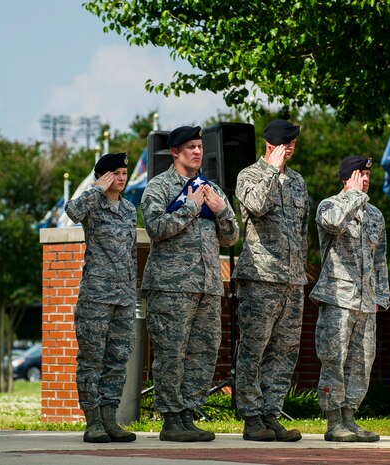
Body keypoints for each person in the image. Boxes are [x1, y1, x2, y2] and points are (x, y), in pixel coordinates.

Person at [140, 125, 239, 442]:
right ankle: (170, 419)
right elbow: (155, 227)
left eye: (199, 146)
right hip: (171, 287)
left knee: (204, 352)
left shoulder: (211, 189)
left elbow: (231, 237)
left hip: (208, 286)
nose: (197, 152)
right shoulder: (159, 187)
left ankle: (187, 415)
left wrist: (222, 212)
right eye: (190, 148)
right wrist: (192, 205)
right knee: (172, 353)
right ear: (174, 152)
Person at [233, 119, 308, 442]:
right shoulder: (248, 175)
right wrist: (270, 172)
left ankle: (270, 413)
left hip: (292, 280)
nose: (289, 147)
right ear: (269, 144)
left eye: (292, 143)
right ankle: (251, 417)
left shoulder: (298, 181)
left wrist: (301, 272)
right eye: (284, 143)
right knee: (254, 348)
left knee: (285, 349)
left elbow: (303, 231)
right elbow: (257, 206)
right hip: (260, 278)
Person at [310, 156, 390, 442]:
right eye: (359, 174)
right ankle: (333, 421)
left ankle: (350, 417)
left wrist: (381, 296)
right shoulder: (329, 205)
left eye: (367, 174)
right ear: (346, 178)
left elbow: (379, 259)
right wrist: (354, 196)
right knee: (334, 359)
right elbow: (333, 224)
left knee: (362, 362)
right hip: (337, 298)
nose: (365, 179)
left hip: (366, 302)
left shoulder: (375, 215)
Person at [65, 153, 138, 444]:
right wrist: (96, 188)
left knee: (117, 360)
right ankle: (93, 421)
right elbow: (71, 211)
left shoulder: (129, 209)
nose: (121, 178)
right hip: (96, 296)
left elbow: (131, 253)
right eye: (116, 173)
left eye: (124, 173)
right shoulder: (92, 205)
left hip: (124, 296)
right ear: (104, 176)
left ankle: (110, 420)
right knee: (92, 360)